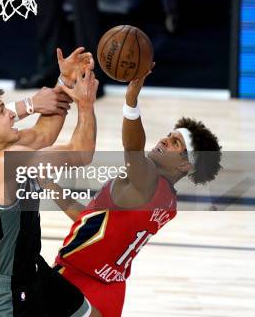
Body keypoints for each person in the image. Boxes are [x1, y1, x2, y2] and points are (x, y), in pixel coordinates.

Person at [51, 66, 222, 316]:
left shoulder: (148, 182)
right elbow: (89, 220)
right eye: (168, 135)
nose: (164, 140)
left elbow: (132, 146)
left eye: (175, 143)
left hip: (76, 277)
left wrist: (131, 101)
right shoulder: (166, 201)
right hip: (110, 287)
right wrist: (48, 185)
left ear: (186, 165)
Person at [0, 49, 103, 316]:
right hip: (6, 293)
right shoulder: (5, 164)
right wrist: (86, 104)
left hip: (33, 270)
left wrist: (65, 81)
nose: (11, 114)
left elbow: (44, 134)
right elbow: (82, 152)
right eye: (1, 111)